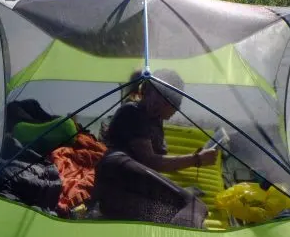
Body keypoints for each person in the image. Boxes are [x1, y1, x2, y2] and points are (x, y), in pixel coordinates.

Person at [92, 69, 219, 227]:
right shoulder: (131, 112)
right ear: (145, 91)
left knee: (168, 213)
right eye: (158, 96)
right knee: (195, 205)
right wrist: (197, 160)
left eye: (168, 101)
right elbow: (151, 162)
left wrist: (175, 189)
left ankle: (186, 235)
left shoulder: (155, 123)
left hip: (125, 196)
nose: (160, 104)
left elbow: (158, 163)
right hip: (116, 174)